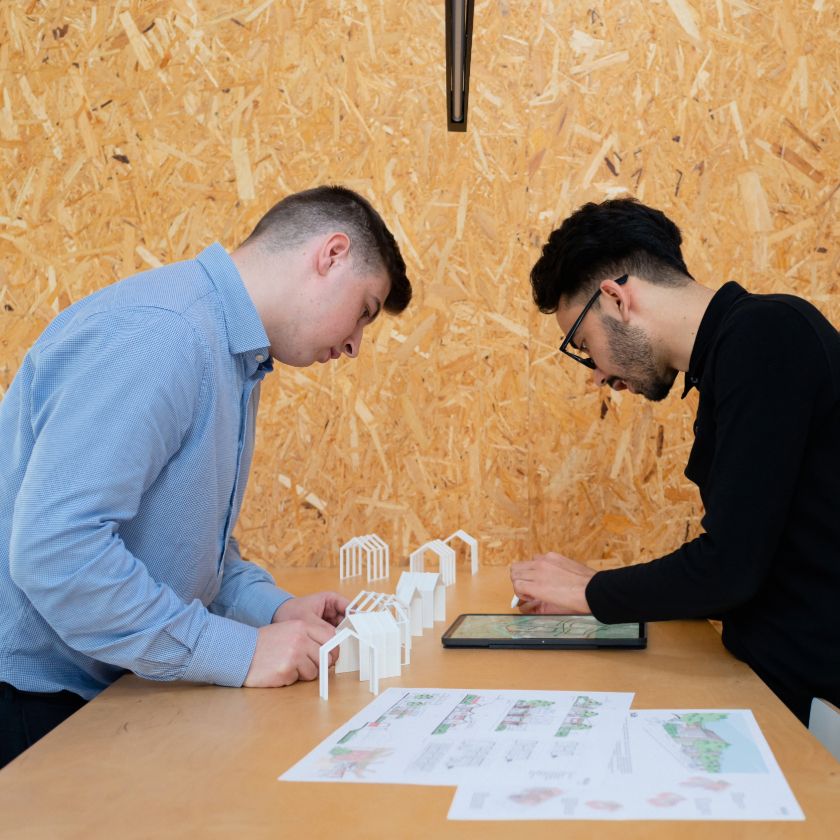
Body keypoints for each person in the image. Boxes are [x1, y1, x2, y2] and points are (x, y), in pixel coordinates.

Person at [0, 185, 412, 767]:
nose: (353, 345)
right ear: (332, 254)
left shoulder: (232, 351)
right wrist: (238, 652)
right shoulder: (165, 335)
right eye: (365, 311)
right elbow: (57, 552)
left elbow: (183, 548)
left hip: (113, 692)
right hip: (37, 709)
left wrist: (270, 611)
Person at [511, 197, 840, 725]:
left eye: (583, 345)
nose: (596, 375)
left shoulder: (766, 337)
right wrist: (598, 585)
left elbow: (730, 570)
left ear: (616, 299)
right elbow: (753, 561)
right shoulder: (735, 353)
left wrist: (589, 591)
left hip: (814, 715)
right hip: (769, 690)